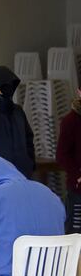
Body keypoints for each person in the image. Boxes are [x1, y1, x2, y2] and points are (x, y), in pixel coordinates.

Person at [57, 89, 81, 233]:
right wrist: (77, 175)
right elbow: (62, 155)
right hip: (78, 190)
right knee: (75, 234)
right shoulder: (70, 121)